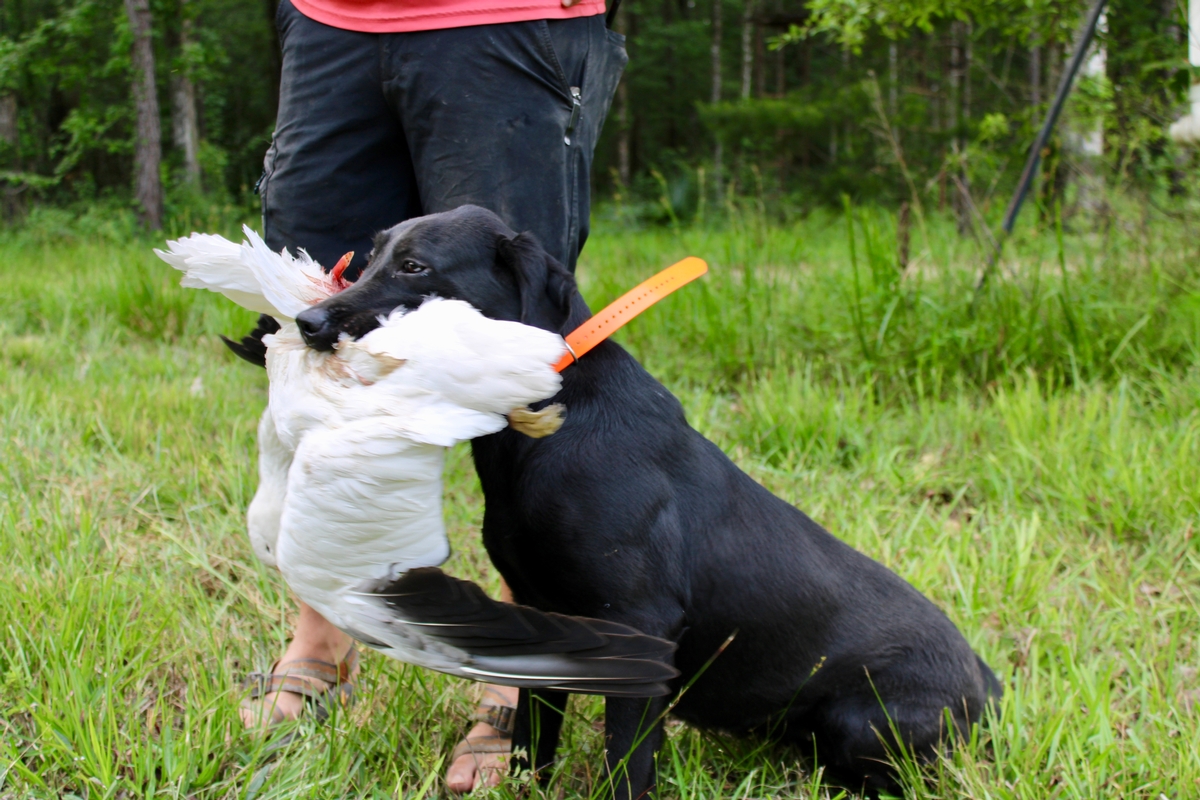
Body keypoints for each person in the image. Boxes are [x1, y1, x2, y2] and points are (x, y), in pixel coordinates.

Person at [235, 0, 626, 793]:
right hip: (331, 24)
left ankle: (515, 668)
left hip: (504, 20)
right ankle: (322, 637)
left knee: (511, 346)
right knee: (319, 332)